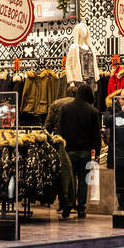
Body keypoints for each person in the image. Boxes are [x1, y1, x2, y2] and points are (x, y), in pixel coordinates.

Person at [47, 82, 102, 219]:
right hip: (85, 151)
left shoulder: (66, 109)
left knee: (69, 179)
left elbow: (60, 130)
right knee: (83, 180)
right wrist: (97, 152)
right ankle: (81, 208)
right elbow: (96, 135)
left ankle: (67, 203)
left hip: (68, 150)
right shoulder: (93, 111)